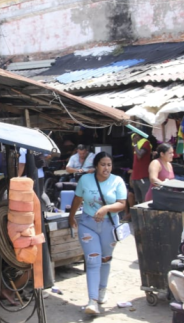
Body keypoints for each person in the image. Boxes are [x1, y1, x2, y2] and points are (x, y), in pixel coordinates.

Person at [68, 152, 127, 315]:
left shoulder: (117, 181)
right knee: (93, 260)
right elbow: (77, 199)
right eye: (103, 164)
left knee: (105, 259)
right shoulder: (85, 180)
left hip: (110, 225)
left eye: (109, 164)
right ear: (96, 166)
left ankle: (102, 290)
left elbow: (122, 204)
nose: (106, 168)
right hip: (88, 224)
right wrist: (71, 216)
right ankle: (92, 301)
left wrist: (106, 208)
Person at [129, 134, 152, 205]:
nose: (134, 139)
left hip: (143, 177)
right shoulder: (136, 146)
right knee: (138, 201)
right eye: (133, 137)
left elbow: (139, 156)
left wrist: (135, 144)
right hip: (135, 177)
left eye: (136, 136)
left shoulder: (145, 143)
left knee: (146, 200)